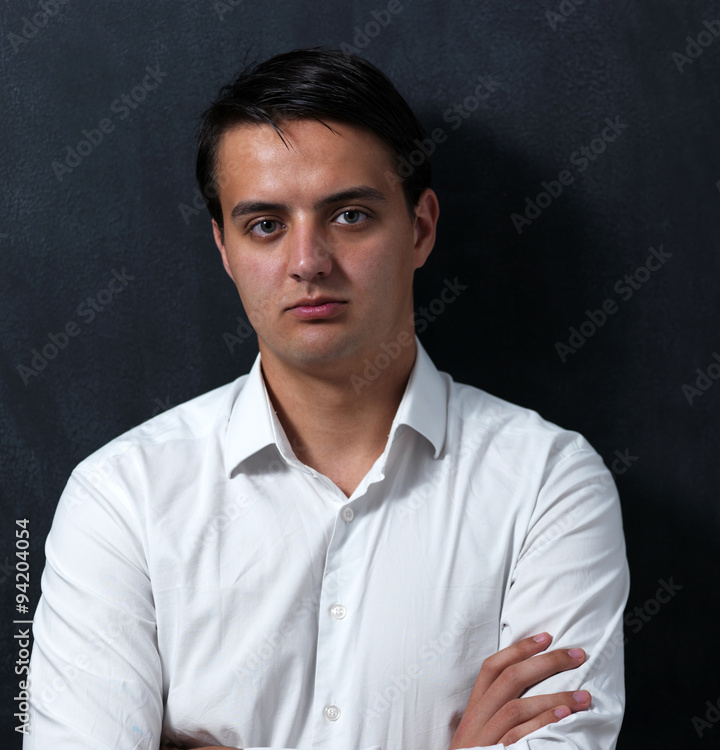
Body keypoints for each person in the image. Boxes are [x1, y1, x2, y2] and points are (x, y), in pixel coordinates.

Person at [25, 48, 629, 750]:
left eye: (348, 216)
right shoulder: (121, 498)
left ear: (421, 229)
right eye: (265, 225)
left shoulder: (547, 484)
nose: (307, 262)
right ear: (224, 247)